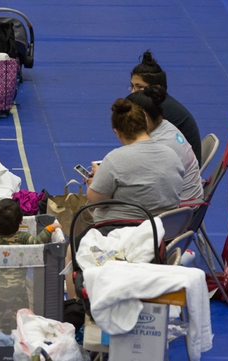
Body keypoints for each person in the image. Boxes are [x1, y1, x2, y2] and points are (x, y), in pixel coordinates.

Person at [64, 97, 184, 302]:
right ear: (145, 124)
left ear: (117, 132)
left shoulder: (115, 159)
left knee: (70, 249)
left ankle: (76, 307)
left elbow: (94, 198)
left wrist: (95, 179)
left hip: (120, 232)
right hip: (163, 234)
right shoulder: (171, 154)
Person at [0, 198, 62, 337]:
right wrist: (50, 228)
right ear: (20, 222)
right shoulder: (23, 237)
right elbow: (38, 242)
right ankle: (17, 334)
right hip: (18, 288)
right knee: (19, 313)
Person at [126, 85, 203, 201]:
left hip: (177, 212)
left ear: (144, 118)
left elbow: (139, 190)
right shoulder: (166, 126)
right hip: (187, 203)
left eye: (128, 119)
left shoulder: (156, 147)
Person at [130, 50, 203, 165]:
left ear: (157, 88)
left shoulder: (161, 112)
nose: (133, 92)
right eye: (132, 86)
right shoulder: (160, 105)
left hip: (179, 173)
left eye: (139, 87)